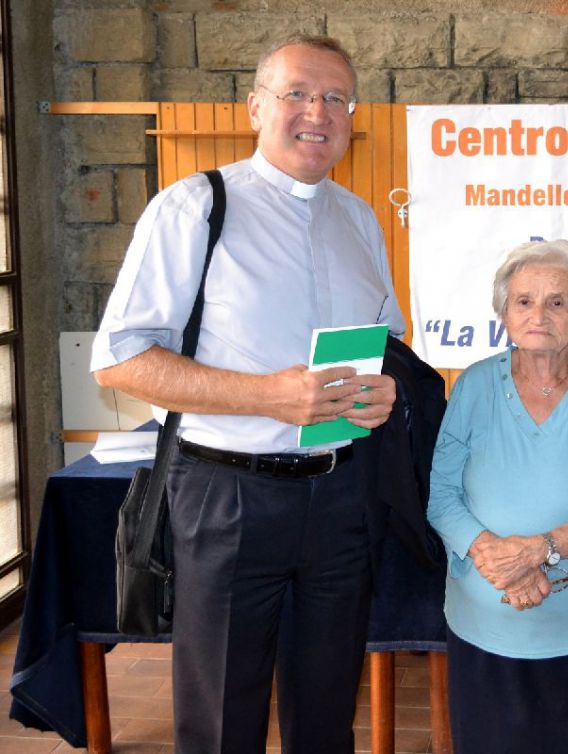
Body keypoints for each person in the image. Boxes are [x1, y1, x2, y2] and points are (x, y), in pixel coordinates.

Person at [91, 35, 404, 754]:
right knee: (221, 722)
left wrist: (384, 389)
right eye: (297, 93)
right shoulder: (196, 206)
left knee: (327, 715)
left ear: (352, 117)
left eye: (335, 98)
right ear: (256, 107)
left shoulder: (359, 219)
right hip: (228, 496)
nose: (317, 112)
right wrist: (267, 395)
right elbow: (119, 360)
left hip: (342, 497)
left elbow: (386, 342)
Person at [427, 240, 568, 754]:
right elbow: (442, 494)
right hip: (487, 623)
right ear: (504, 314)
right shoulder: (473, 387)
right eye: (524, 301)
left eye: (557, 302)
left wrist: (540, 550)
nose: (539, 315)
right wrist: (497, 557)